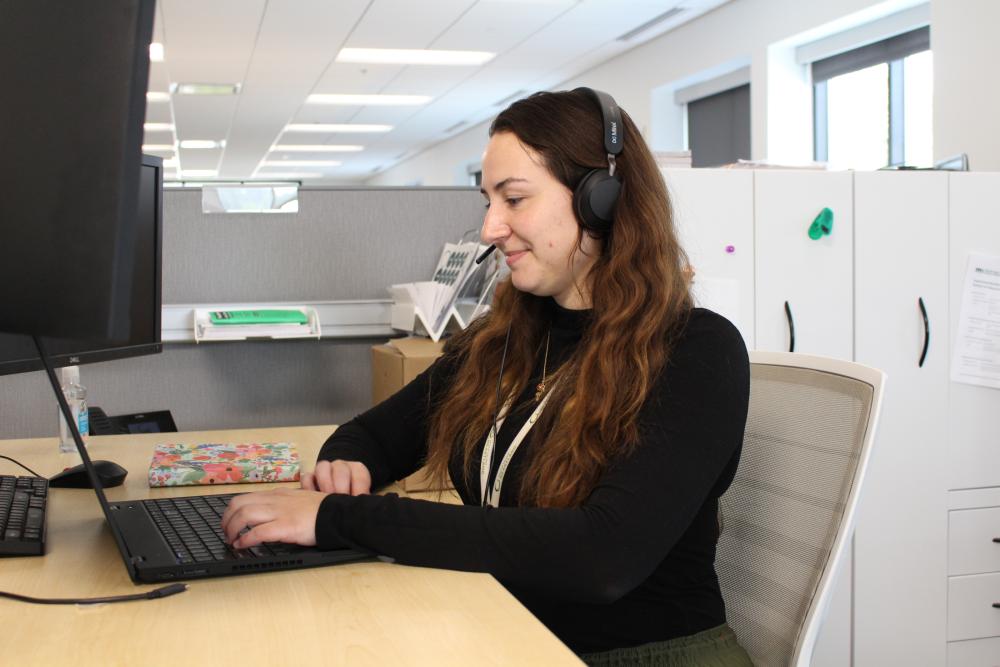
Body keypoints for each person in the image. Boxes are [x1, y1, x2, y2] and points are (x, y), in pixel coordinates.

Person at [221, 88, 752, 666]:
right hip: (508, 634)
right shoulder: (505, 341)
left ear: (602, 199)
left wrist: (340, 519)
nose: (490, 229)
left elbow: (600, 558)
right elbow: (372, 436)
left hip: (643, 655)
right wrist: (347, 466)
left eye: (514, 199)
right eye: (487, 201)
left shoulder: (694, 351)